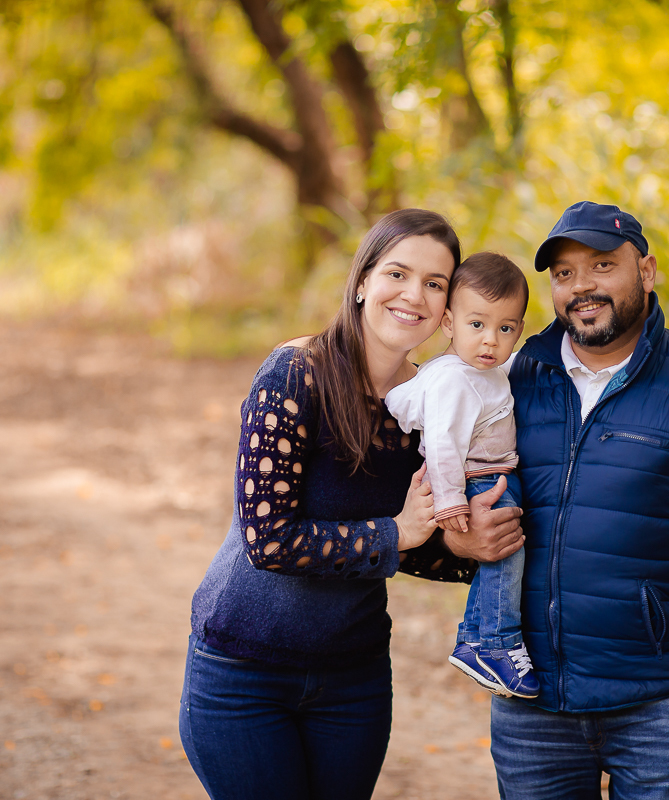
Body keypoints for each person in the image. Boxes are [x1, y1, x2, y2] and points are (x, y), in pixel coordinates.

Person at [178, 209, 524, 800]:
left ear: (447, 310)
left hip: (353, 677)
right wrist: (400, 533)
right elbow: (270, 539)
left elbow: (405, 543)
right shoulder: (294, 374)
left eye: (435, 283)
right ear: (362, 281)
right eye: (397, 273)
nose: (413, 294)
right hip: (242, 671)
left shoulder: (432, 404)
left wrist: (460, 548)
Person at [491, 201, 669, 799]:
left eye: (602, 265)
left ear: (645, 271)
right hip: (530, 708)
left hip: (657, 709)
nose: (582, 287)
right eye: (564, 274)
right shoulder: (514, 376)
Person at [385, 252, 539, 699]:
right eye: (477, 325)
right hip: (475, 482)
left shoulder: (476, 369)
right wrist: (451, 499)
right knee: (506, 554)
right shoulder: (457, 379)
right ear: (449, 323)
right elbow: (442, 442)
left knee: (503, 556)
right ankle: (495, 642)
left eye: (505, 329)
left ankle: (476, 636)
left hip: (485, 475)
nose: (491, 340)